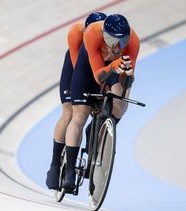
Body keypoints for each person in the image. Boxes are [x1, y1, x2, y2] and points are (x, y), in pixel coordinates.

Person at [59, 14, 140, 191]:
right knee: (79, 116)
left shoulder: (133, 41)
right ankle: (70, 170)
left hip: (113, 68)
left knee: (121, 101)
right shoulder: (92, 33)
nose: (118, 46)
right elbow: (97, 76)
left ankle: (102, 129)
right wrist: (113, 66)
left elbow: (128, 83)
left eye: (123, 40)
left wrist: (127, 75)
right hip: (90, 68)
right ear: (104, 34)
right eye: (112, 40)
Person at [46, 12, 107, 190]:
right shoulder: (76, 34)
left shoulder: (102, 41)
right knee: (70, 112)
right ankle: (55, 165)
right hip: (75, 69)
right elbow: (77, 69)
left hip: (94, 68)